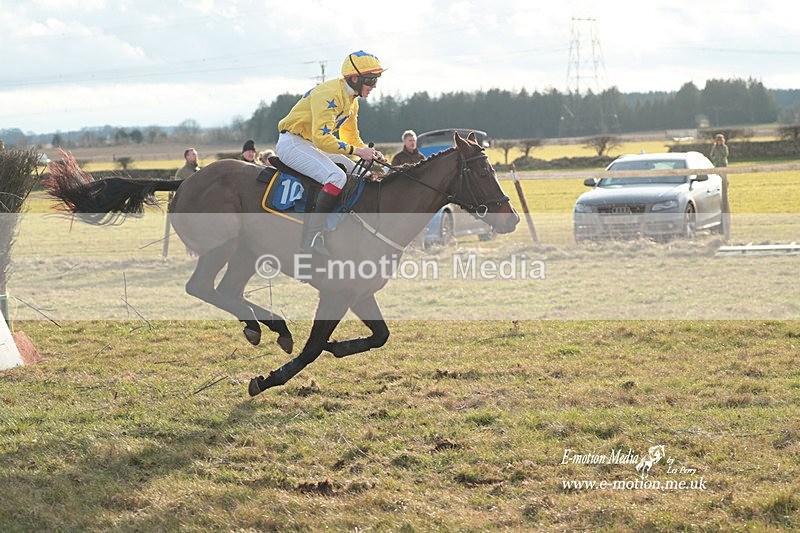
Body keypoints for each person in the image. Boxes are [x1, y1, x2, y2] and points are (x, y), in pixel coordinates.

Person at [276, 50, 386, 256]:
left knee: (361, 171)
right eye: (370, 80)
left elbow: (351, 138)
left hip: (309, 144)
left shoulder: (351, 100)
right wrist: (359, 151)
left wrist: (370, 152)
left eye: (376, 80)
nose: (374, 86)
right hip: (292, 143)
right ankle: (311, 238)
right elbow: (322, 139)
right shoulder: (329, 94)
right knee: (336, 176)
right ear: (354, 78)